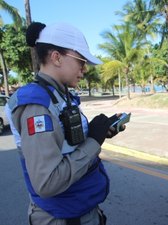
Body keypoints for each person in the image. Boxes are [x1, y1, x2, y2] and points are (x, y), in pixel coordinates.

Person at [5, 22, 124, 225]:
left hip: (79, 211)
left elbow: (66, 144)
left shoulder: (59, 95)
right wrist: (93, 142)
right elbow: (47, 182)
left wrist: (99, 133)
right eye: (80, 61)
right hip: (62, 217)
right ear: (56, 57)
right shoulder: (37, 105)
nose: (84, 69)